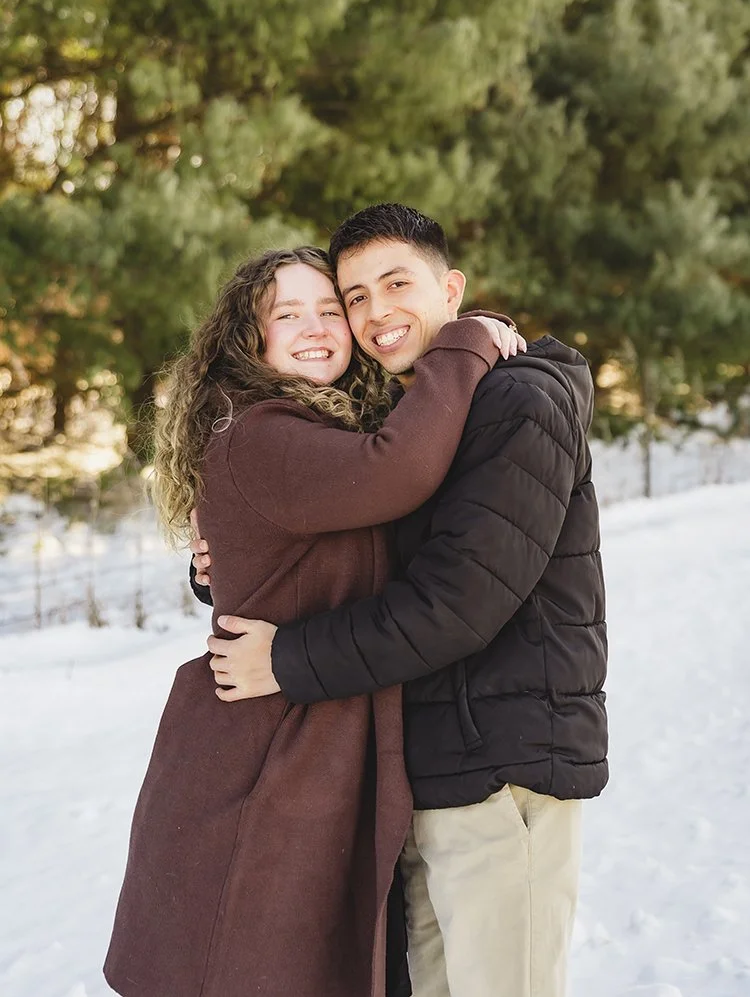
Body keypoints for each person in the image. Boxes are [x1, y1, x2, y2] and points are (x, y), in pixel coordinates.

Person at [192, 204, 608, 997]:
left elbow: (457, 603)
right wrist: (226, 559)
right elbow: (351, 552)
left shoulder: (518, 401)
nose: (376, 312)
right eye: (356, 296)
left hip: (503, 771)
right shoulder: (413, 417)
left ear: (451, 288)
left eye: (396, 283)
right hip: (426, 777)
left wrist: (286, 657)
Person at [104, 244, 521, 997]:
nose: (317, 326)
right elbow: (396, 470)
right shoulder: (265, 432)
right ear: (248, 339)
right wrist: (469, 340)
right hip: (264, 760)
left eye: (331, 309)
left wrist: (218, 568)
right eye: (287, 314)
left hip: (299, 741)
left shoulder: (319, 424)